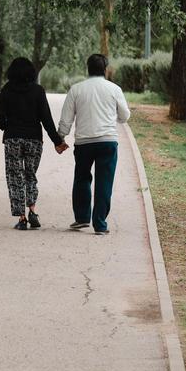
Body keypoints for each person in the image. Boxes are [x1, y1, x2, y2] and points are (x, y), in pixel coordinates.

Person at [56, 53, 130, 235]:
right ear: (105, 69)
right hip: (108, 142)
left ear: (87, 68)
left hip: (84, 143)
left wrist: (60, 138)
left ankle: (82, 218)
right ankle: (100, 224)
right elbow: (125, 116)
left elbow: (66, 119)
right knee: (104, 182)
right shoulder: (114, 89)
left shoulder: (76, 89)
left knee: (81, 178)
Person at [0, 57, 65, 230]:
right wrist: (57, 141)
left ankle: (22, 218)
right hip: (34, 139)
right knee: (30, 174)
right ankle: (32, 210)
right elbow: (46, 119)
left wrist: (8, 127)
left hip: (13, 139)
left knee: (15, 177)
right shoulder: (38, 91)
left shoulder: (7, 90)